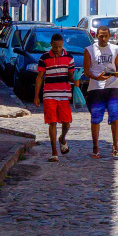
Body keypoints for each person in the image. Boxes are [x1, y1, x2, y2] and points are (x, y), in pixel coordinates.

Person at [34, 32, 76, 162]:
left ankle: (62, 138)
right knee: (52, 122)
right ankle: (54, 152)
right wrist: (37, 96)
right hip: (49, 94)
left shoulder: (69, 57)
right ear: (51, 45)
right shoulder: (44, 58)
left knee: (66, 123)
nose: (57, 49)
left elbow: (71, 76)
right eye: (55, 46)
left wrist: (76, 79)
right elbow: (40, 77)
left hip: (64, 94)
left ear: (62, 45)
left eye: (59, 46)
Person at [83, 25, 118, 158]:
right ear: (96, 35)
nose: (104, 38)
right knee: (96, 119)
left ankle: (115, 145)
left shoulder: (115, 49)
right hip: (96, 88)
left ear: (109, 36)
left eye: (106, 35)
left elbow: (117, 66)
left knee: (116, 116)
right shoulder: (89, 50)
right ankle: (95, 147)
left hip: (112, 87)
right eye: (101, 36)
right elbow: (86, 70)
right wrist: (97, 77)